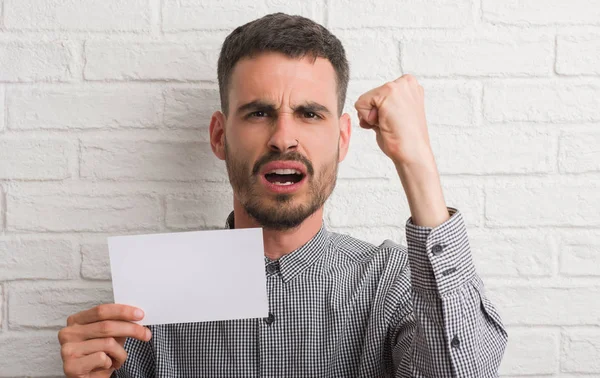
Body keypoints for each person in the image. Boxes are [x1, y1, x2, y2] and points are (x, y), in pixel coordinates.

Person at [58, 13, 507, 378]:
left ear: (343, 139)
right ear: (219, 136)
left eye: (310, 114)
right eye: (258, 112)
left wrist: (418, 162)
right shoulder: (147, 303)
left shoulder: (391, 285)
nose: (283, 138)